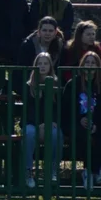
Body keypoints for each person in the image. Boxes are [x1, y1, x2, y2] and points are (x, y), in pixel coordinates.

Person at [61, 50, 101, 191]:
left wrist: (96, 125)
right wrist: (79, 120)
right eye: (87, 62)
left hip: (97, 124)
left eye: (93, 63)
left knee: (100, 135)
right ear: (82, 64)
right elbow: (66, 110)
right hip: (75, 123)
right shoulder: (72, 84)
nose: (90, 65)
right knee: (81, 134)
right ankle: (89, 171)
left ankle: (95, 170)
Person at [22, 51, 62, 189]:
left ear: (51, 66)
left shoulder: (57, 84)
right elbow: (28, 110)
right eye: (40, 63)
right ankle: (28, 171)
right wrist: (39, 125)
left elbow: (59, 108)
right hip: (33, 123)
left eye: (46, 63)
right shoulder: (29, 86)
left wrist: (51, 121)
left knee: (56, 134)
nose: (43, 66)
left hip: (51, 123)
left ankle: (52, 170)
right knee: (29, 133)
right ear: (35, 65)